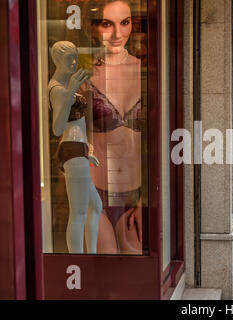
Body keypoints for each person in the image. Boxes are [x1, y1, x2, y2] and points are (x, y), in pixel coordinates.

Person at [83, 0, 143, 254]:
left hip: (135, 192)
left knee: (134, 275)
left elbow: (160, 140)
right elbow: (72, 137)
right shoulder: (84, 74)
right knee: (105, 273)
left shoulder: (146, 70)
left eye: (125, 23)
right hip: (94, 190)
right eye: (107, 24)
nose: (118, 34)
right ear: (94, 27)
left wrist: (147, 199)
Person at [48, 41, 103, 254]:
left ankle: (91, 256)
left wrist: (87, 151)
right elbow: (57, 128)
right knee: (79, 212)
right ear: (56, 60)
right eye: (68, 58)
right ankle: (78, 261)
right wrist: (71, 92)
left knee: (95, 206)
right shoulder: (58, 89)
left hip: (78, 150)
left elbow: (78, 124)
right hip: (71, 149)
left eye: (75, 57)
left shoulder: (64, 86)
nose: (73, 62)